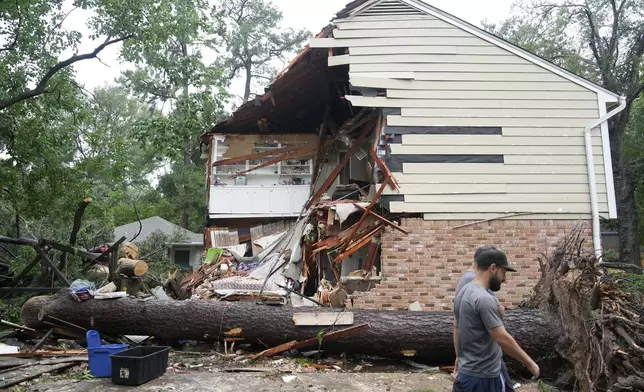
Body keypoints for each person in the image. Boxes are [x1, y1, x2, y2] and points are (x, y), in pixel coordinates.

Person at [452, 248, 540, 392]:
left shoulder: (463, 292)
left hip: (466, 374)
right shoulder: (483, 298)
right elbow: (502, 338)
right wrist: (530, 363)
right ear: (493, 268)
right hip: (485, 378)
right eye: (503, 272)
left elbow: (456, 326)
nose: (504, 279)